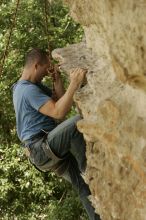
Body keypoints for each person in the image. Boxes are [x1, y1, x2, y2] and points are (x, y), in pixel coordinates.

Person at [12, 48, 101, 220]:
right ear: (36, 65)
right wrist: (74, 83)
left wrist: (57, 79)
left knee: (84, 188)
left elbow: (59, 100)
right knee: (76, 123)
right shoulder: (27, 90)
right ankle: (89, 170)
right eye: (46, 68)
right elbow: (59, 113)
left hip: (44, 149)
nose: (47, 72)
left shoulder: (27, 86)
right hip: (42, 147)